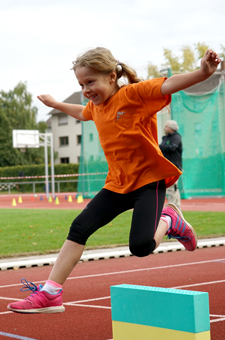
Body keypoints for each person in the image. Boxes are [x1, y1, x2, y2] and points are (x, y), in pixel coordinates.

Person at [7, 47, 221, 314]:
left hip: (147, 182)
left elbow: (169, 84)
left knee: (141, 246)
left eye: (90, 82)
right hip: (117, 184)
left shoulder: (133, 95)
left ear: (111, 77)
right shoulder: (96, 108)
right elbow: (81, 112)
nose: (86, 90)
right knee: (79, 227)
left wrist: (202, 72)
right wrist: (55, 104)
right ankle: (51, 293)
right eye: (81, 84)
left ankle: (169, 220)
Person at [159, 120, 182, 208]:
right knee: (170, 189)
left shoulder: (176, 137)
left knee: (172, 188)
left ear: (171, 128)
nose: (164, 128)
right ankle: (175, 207)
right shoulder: (165, 138)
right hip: (166, 167)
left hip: (174, 167)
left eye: (166, 126)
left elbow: (172, 148)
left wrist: (159, 146)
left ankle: (173, 208)